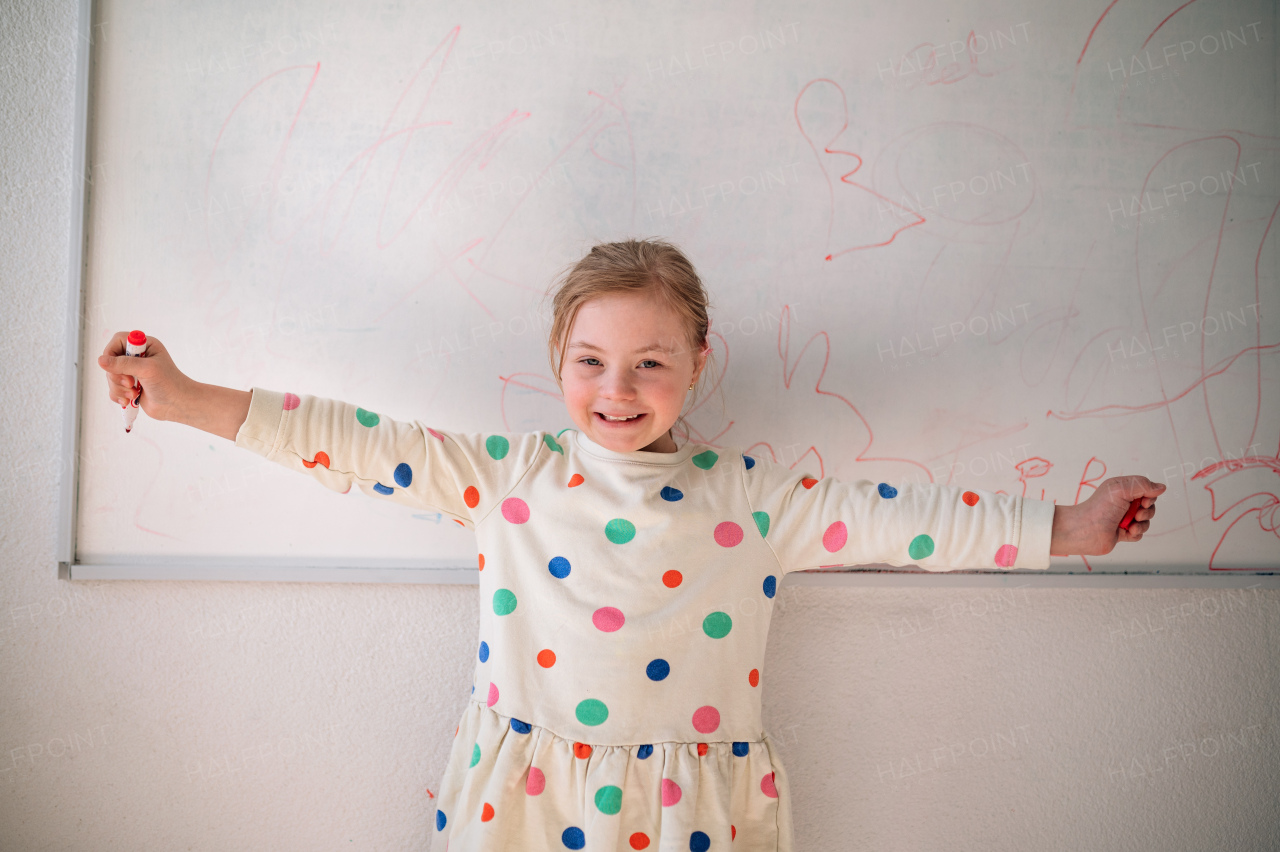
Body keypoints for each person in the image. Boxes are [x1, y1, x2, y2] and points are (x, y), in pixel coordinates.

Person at [97, 238, 1164, 851]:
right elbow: (343, 441)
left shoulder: (750, 499)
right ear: (557, 361)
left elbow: (906, 519)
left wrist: (1065, 527)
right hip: (525, 803)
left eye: (649, 363)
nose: (617, 391)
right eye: (591, 361)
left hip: (689, 812)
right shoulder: (505, 478)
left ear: (698, 362)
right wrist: (182, 394)